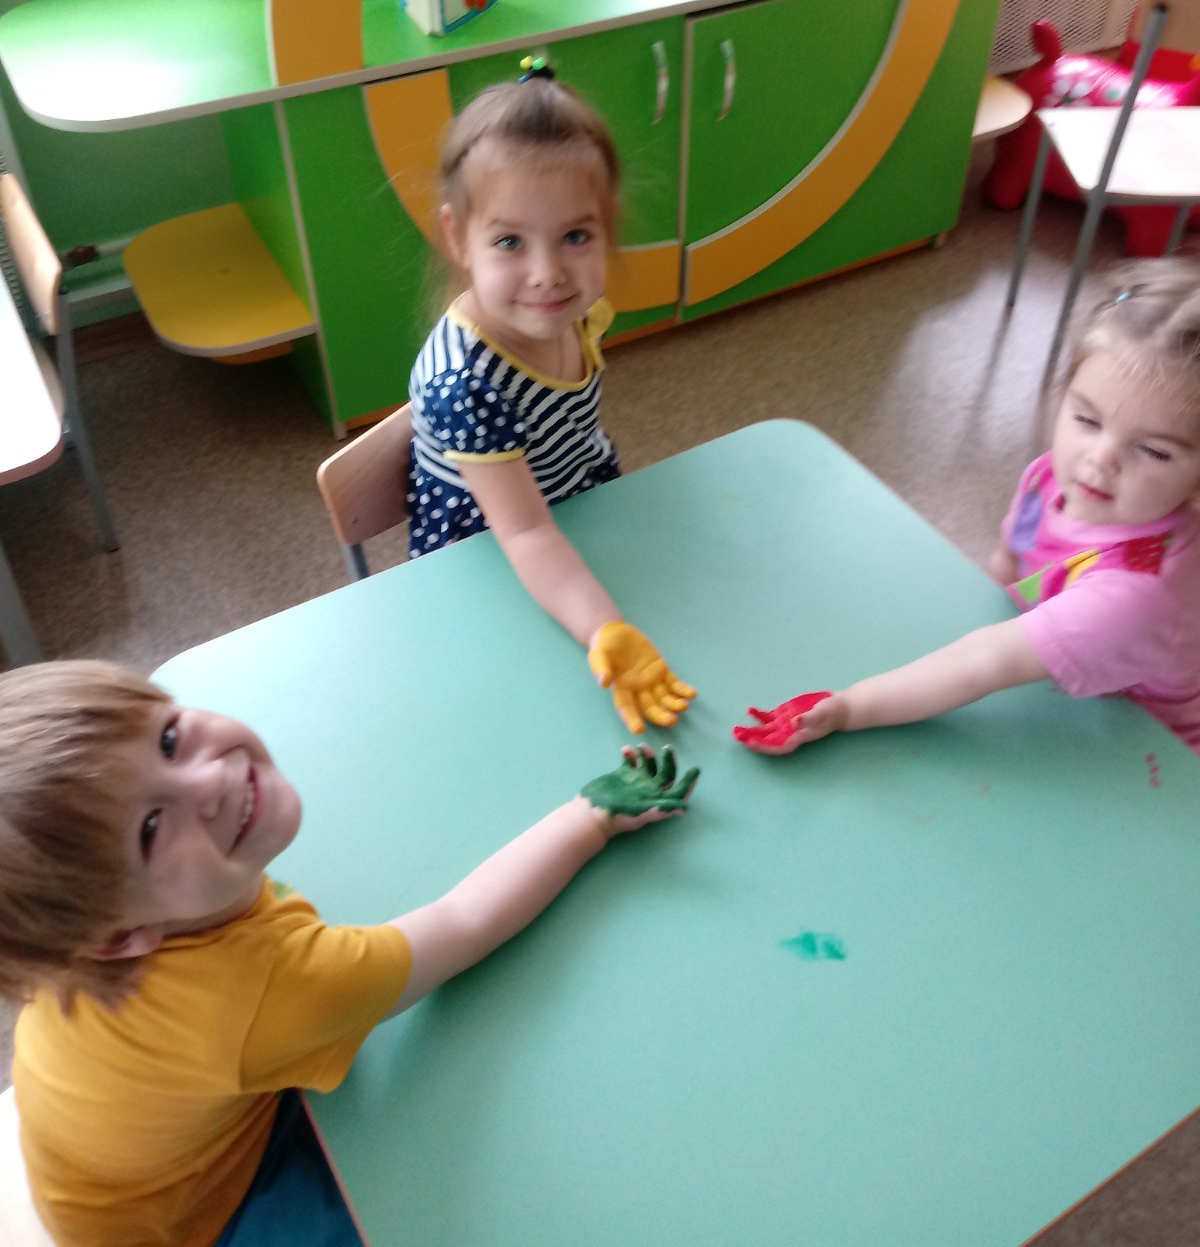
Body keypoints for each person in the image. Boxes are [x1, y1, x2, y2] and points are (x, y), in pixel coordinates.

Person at [3, 660, 699, 1247]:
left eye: (168, 738)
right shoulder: (272, 991)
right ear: (116, 940)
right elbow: (464, 921)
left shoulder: (96, 934)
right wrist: (588, 821)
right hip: (194, 1218)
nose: (208, 781)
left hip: (113, 1164)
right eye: (152, 828)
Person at [735, 258, 1200, 756]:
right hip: (1062, 677)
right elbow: (1007, 563)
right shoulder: (1048, 477)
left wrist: (849, 708)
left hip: (1147, 752)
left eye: (1153, 451)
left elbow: (981, 664)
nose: (1099, 459)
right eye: (1087, 419)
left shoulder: (1132, 596)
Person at [407, 64, 696, 734]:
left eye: (575, 236)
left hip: (576, 511)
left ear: (606, 227)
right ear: (458, 238)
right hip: (489, 563)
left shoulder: (576, 312)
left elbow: (571, 432)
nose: (548, 274)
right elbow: (524, 533)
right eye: (510, 242)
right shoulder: (466, 386)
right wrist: (606, 627)